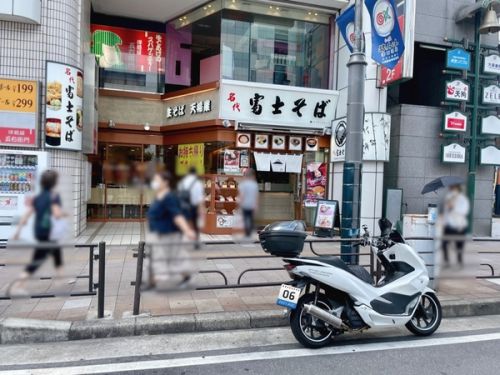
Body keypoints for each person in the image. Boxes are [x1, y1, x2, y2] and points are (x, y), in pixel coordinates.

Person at [9, 170, 66, 295]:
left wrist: (17, 232)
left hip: (40, 232)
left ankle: (61, 279)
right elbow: (56, 213)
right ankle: (17, 286)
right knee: (36, 260)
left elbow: (26, 215)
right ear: (54, 183)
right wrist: (64, 214)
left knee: (57, 254)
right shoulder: (53, 196)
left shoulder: (38, 197)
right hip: (49, 233)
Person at [147, 171, 196, 288]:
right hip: (158, 234)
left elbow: (177, 215)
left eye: (157, 180)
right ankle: (152, 282)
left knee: (175, 259)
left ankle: (186, 276)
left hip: (169, 234)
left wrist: (187, 231)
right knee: (157, 258)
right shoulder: (159, 195)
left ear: (165, 182)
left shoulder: (169, 197)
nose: (154, 183)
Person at [442, 184, 470, 267]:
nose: (453, 190)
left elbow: (464, 211)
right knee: (444, 244)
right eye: (452, 188)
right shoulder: (448, 198)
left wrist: (454, 208)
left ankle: (459, 261)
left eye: (455, 188)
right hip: (449, 225)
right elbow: (445, 212)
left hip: (459, 226)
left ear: (458, 189)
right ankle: (447, 261)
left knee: (459, 245)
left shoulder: (463, 199)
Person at [177, 167, 204, 244]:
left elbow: (179, 195)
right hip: (193, 207)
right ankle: (196, 243)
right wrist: (200, 208)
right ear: (195, 173)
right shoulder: (198, 183)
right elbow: (199, 198)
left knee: (182, 223)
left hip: (183, 206)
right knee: (195, 224)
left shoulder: (182, 182)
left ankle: (178, 242)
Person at [238, 168, 259, 237]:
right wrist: (256, 206)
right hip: (252, 205)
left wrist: (239, 205)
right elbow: (256, 196)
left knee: (245, 219)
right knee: (250, 219)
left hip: (245, 204)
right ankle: (250, 232)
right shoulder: (254, 184)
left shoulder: (243, 184)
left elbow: (242, 196)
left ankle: (247, 233)